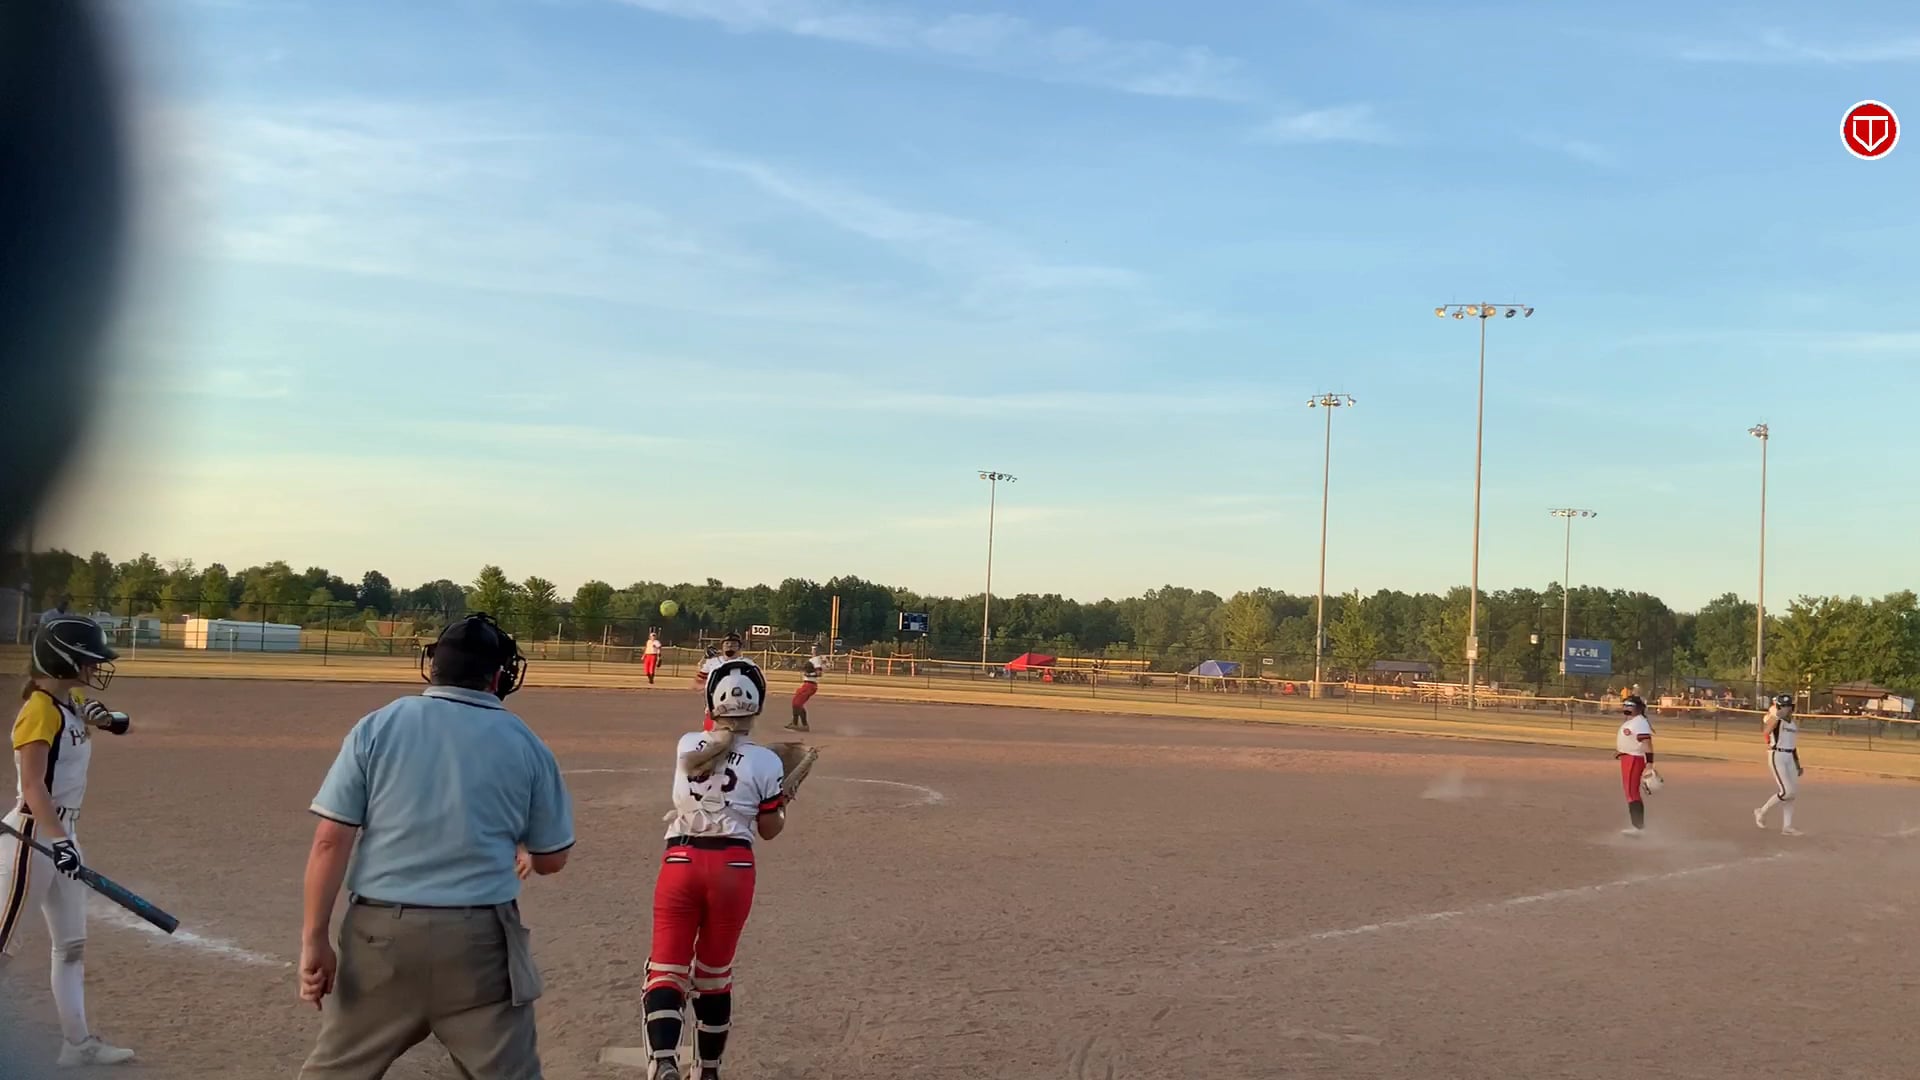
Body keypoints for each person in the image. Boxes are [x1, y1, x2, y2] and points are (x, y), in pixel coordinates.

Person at [297, 613, 575, 1080]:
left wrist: (314, 940)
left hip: (380, 937)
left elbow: (330, 841)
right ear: (498, 677)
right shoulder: (525, 742)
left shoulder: (379, 726)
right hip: (478, 944)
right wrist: (522, 845)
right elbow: (552, 859)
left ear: (433, 666)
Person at [642, 659, 789, 1080]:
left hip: (681, 861)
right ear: (758, 704)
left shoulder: (687, 744)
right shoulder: (767, 762)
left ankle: (664, 1061)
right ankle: (707, 1071)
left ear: (711, 703)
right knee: (713, 974)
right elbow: (769, 829)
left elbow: (715, 750)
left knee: (666, 969)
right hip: (734, 866)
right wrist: (781, 803)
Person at [1, 615, 136, 1066]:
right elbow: (33, 786)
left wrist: (108, 718)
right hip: (32, 839)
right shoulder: (38, 710)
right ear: (63, 660)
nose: (95, 667)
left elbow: (124, 724)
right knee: (3, 946)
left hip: (62, 835)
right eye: (88, 660)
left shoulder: (70, 701)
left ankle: (76, 1045)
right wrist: (60, 842)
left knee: (71, 945)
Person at [1755, 693, 1803, 836]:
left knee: (1792, 794)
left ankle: (1787, 827)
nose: (1787, 709)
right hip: (1777, 755)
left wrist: (1797, 764)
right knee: (1786, 791)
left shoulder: (1793, 723)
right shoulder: (1775, 719)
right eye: (1784, 706)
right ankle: (1761, 811)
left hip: (1790, 757)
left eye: (1789, 706)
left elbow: (1793, 746)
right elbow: (1766, 731)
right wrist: (1776, 716)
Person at [695, 633, 755, 733]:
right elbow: (698, 682)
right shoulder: (713, 662)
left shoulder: (747, 663)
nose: (730, 646)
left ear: (739, 647)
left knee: (739, 737)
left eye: (734, 644)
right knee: (711, 736)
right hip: (716, 710)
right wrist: (706, 692)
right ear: (722, 647)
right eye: (727, 644)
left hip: (741, 710)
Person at [1614, 695, 1657, 835]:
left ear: (1638, 708)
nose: (1626, 707)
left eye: (1630, 705)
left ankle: (1638, 828)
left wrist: (1649, 764)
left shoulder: (1639, 722)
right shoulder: (1632, 721)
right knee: (1630, 791)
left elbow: (1647, 744)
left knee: (1632, 792)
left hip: (1634, 759)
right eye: (1625, 705)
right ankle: (1638, 827)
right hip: (1627, 758)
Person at [787, 648, 825, 732]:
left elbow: (819, 673)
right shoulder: (814, 659)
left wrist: (808, 674)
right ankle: (796, 723)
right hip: (808, 684)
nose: (812, 651)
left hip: (810, 685)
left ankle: (801, 724)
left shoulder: (816, 659)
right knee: (796, 703)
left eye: (814, 649)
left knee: (797, 703)